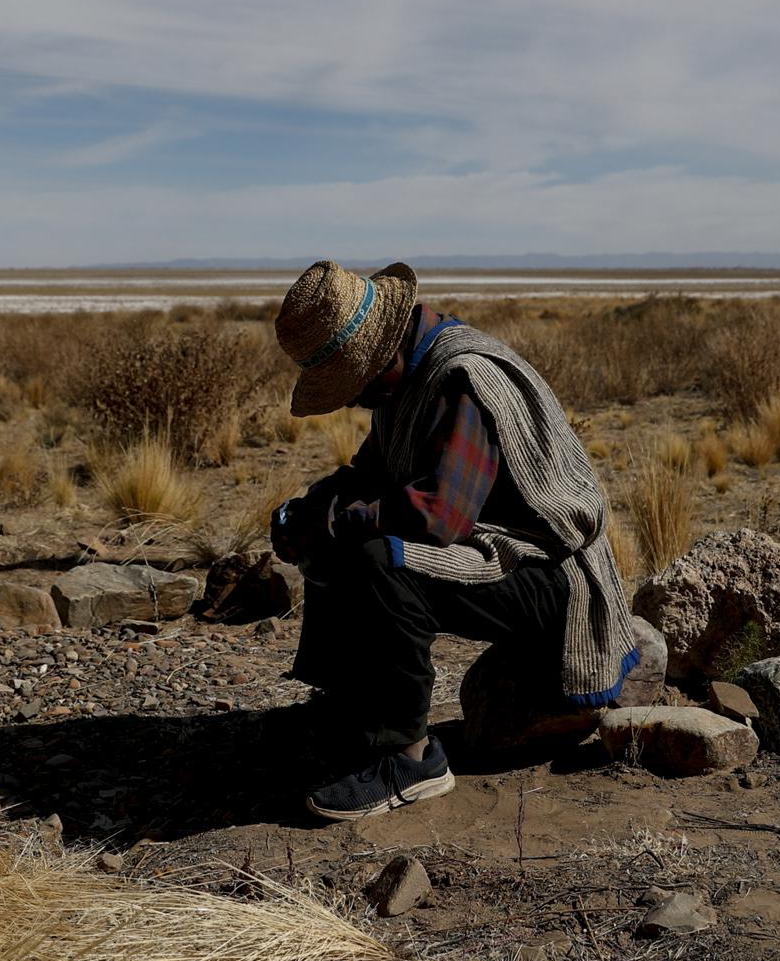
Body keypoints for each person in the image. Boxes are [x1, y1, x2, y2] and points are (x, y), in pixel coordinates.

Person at [270, 260, 651, 821]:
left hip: (556, 578)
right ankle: (350, 710)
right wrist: (310, 510)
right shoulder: (406, 379)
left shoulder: (460, 380)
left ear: (378, 358)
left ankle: (410, 758)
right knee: (334, 533)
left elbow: (440, 515)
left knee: (381, 557)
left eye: (355, 388)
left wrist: (338, 521)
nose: (356, 403)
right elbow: (370, 476)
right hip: (501, 552)